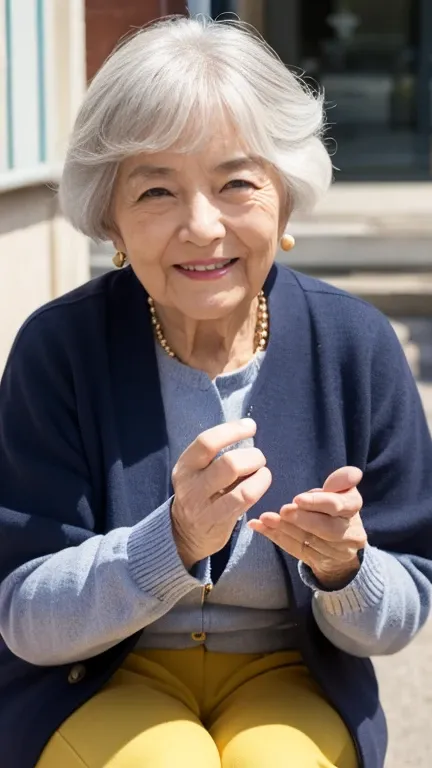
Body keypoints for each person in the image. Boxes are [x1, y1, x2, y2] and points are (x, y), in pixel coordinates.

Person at [0, 16, 431, 768]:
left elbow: (400, 618)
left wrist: (346, 571)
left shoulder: (356, 347)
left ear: (285, 199)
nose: (203, 227)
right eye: (157, 191)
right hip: (96, 678)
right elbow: (25, 617)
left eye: (236, 182)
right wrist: (170, 543)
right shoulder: (59, 350)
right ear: (112, 220)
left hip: (293, 673)